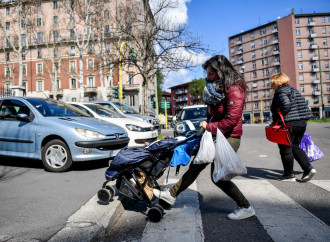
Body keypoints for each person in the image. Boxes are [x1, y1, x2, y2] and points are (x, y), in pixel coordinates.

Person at [153, 55, 255, 220]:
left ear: (221, 72)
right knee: (197, 165)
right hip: (215, 134)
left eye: (210, 74)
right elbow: (214, 112)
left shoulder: (234, 88)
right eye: (207, 73)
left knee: (218, 177)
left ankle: (246, 206)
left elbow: (231, 120)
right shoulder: (217, 87)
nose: (207, 77)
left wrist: (208, 126)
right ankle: (171, 195)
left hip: (228, 137)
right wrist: (207, 122)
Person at [270, 73, 316, 182]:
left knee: (285, 149)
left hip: (289, 124)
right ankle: (308, 169)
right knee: (295, 146)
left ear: (278, 82)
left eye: (272, 84)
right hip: (301, 123)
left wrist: (277, 118)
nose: (272, 86)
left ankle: (288, 175)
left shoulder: (280, 92)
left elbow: (285, 106)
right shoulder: (294, 90)